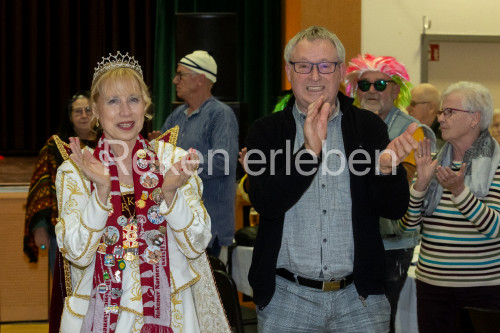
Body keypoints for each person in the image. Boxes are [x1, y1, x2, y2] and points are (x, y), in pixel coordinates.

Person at [244, 26, 417, 332]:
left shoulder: (367, 128)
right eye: (304, 66)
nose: (314, 76)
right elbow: (267, 203)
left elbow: (393, 209)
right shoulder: (266, 131)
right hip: (287, 299)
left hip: (359, 299)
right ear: (289, 71)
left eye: (325, 66)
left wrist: (388, 172)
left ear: (339, 72)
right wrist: (309, 152)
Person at [54, 51, 230, 332]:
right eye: (113, 101)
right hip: (101, 313)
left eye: (133, 99)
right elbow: (77, 254)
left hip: (173, 313)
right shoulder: (76, 171)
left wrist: (169, 195)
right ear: (96, 111)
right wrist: (101, 192)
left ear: (146, 105)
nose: (125, 111)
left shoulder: (172, 159)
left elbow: (198, 243)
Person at [344, 53, 437, 333]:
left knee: (380, 322)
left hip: (392, 244)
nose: (372, 91)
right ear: (354, 90)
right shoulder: (344, 124)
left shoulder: (413, 131)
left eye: (380, 85)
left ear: (396, 90)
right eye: (364, 85)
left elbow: (407, 185)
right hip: (351, 241)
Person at [400, 81, 500, 333]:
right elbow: (408, 227)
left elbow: (495, 228)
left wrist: (459, 192)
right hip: (432, 288)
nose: (441, 119)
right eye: (441, 112)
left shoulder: (497, 167)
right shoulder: (432, 164)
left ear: (474, 119)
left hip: (485, 290)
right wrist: (420, 185)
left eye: (449, 112)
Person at [150, 50, 238, 258]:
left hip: (208, 226)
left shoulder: (221, 114)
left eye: (180, 75)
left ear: (200, 79)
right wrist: (155, 148)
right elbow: (162, 158)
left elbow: (223, 162)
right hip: (176, 222)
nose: (174, 80)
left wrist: (183, 166)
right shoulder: (176, 116)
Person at [24, 91, 97, 273]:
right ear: (70, 117)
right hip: (64, 231)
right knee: (66, 292)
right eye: (77, 111)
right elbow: (41, 186)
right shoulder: (55, 146)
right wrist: (39, 228)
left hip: (103, 229)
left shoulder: (110, 144)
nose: (84, 115)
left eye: (88, 110)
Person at [408, 83, 444, 149]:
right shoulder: (409, 132)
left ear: (431, 108)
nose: (408, 109)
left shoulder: (444, 137)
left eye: (413, 104)